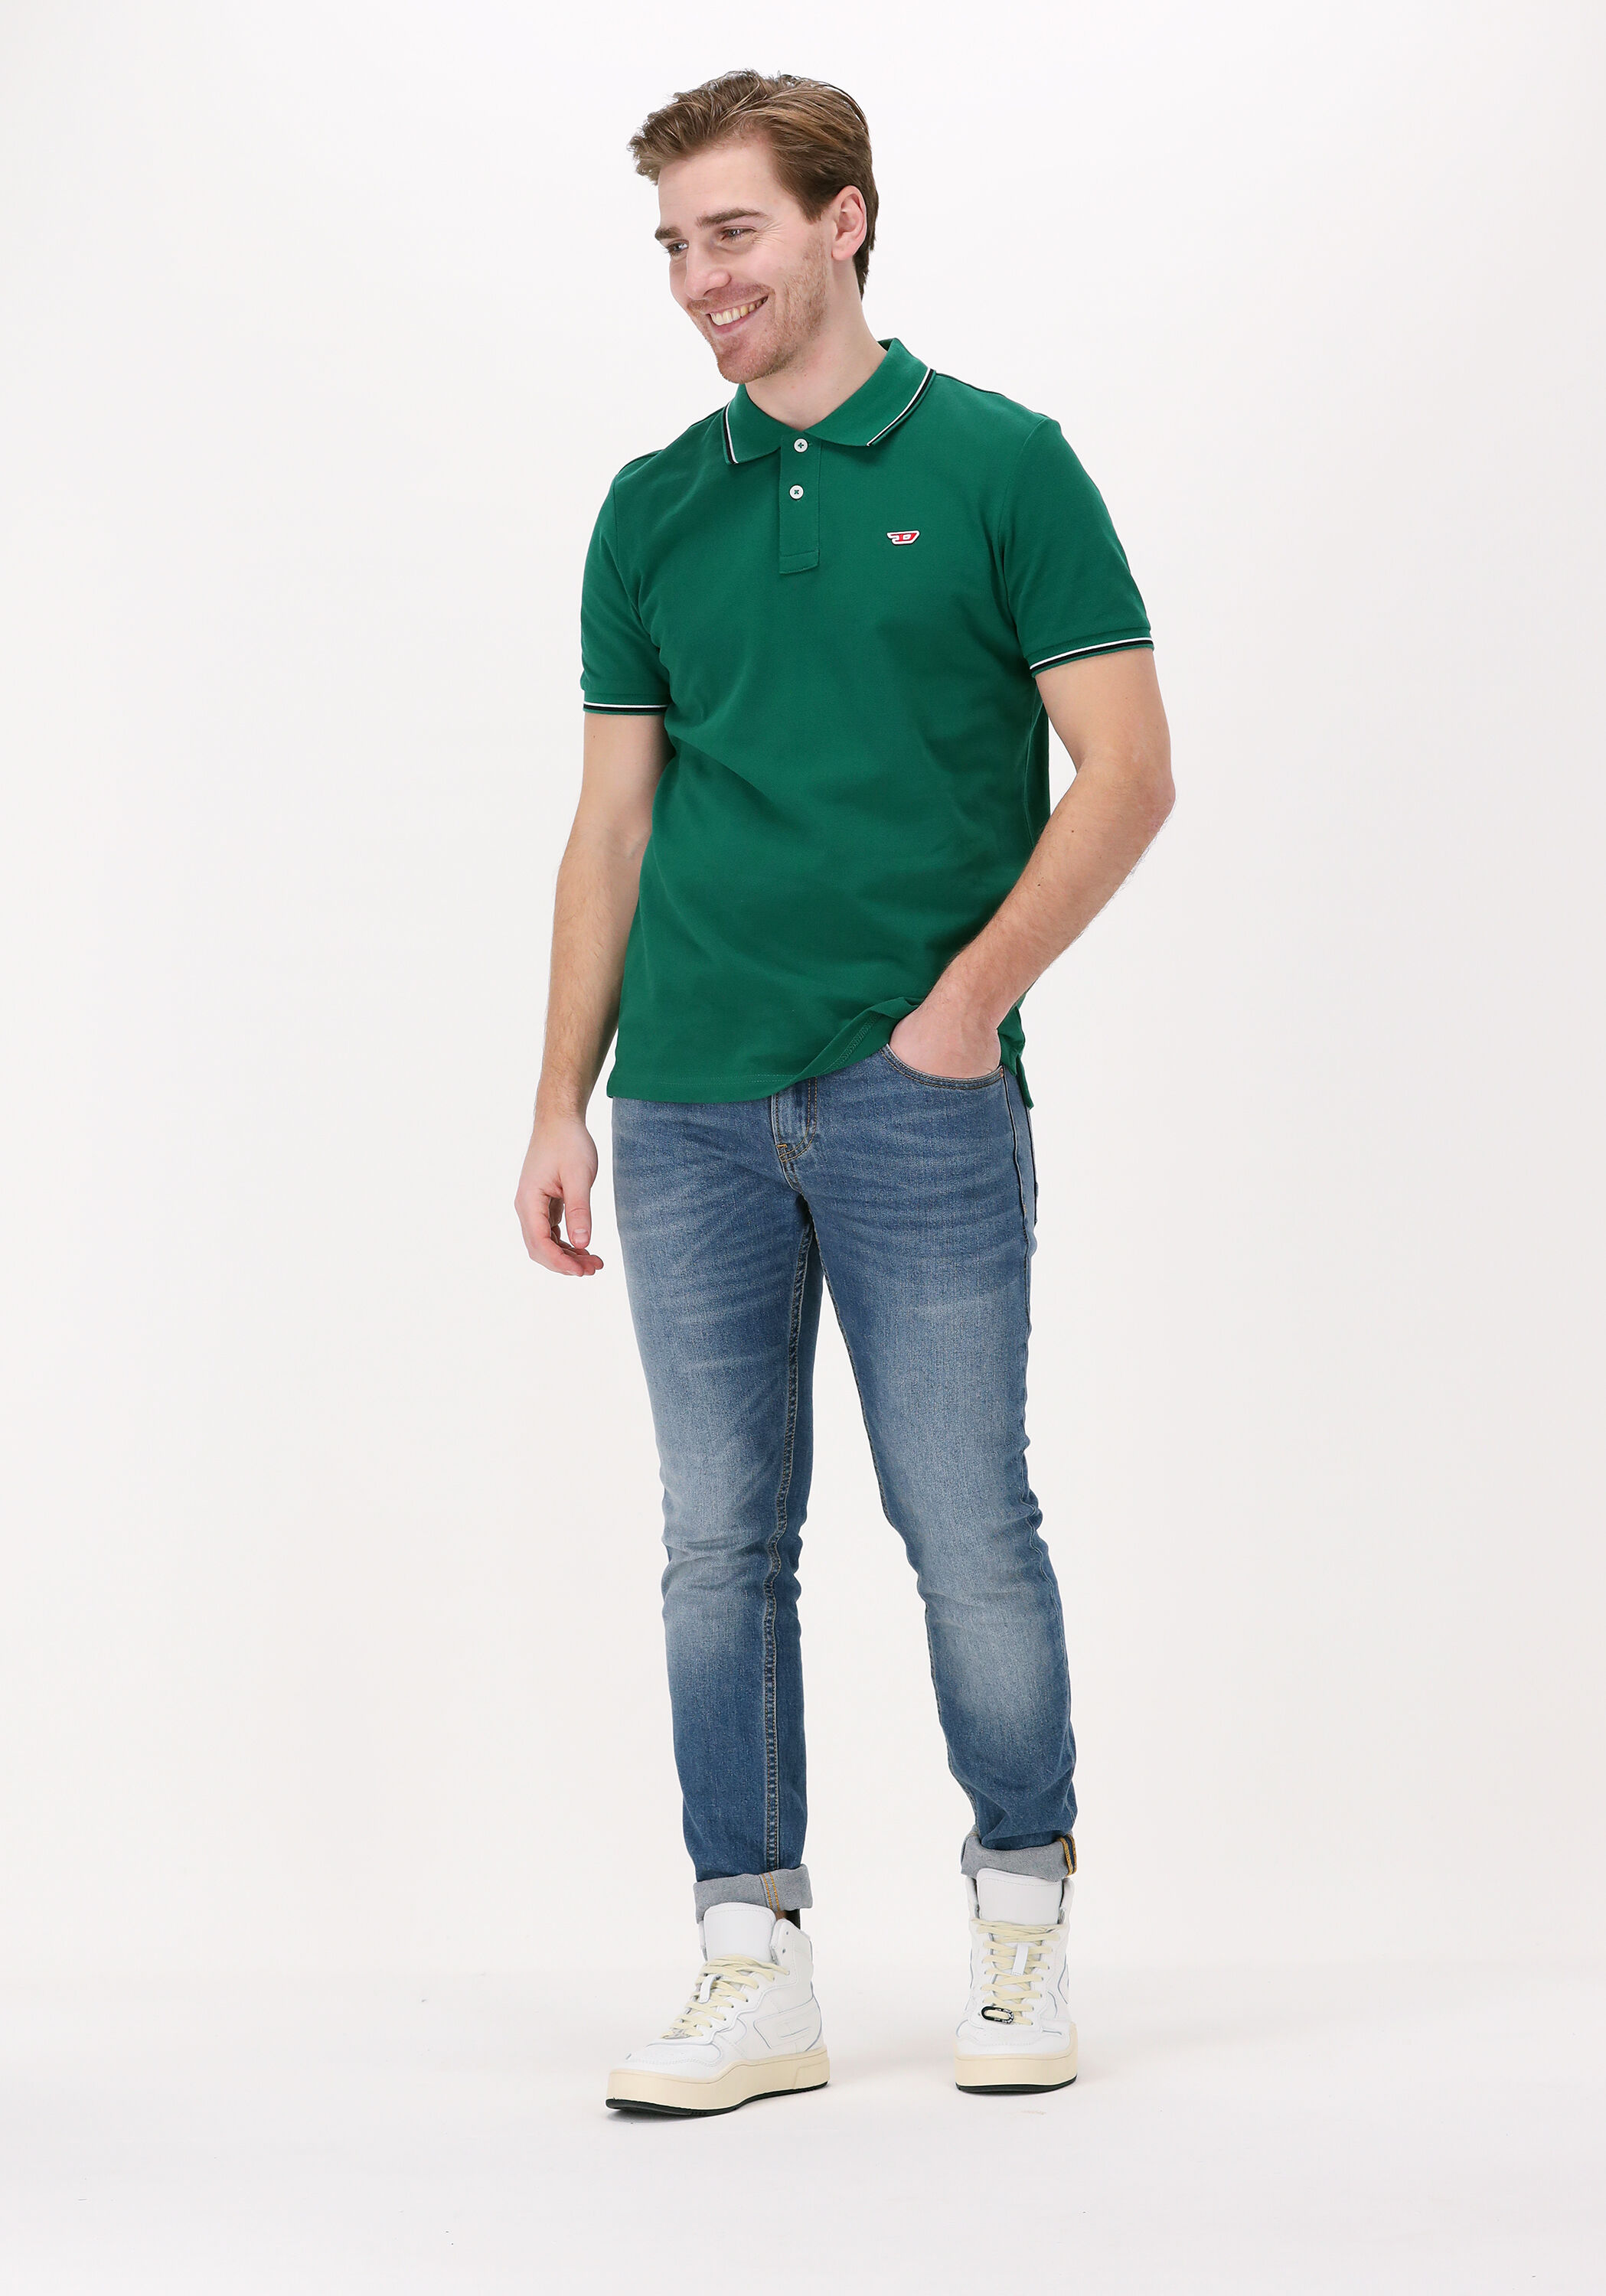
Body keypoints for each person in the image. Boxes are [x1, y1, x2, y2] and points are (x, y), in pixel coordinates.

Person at [514, 70, 1173, 2117]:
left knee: (964, 1523)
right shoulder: (652, 506)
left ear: (842, 220)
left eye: (732, 233)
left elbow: (1130, 772)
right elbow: (613, 825)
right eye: (673, 245)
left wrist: (967, 1007)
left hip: (918, 1099)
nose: (698, 280)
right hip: (688, 1103)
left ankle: (1018, 1919)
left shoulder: (1000, 465)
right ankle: (753, 1963)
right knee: (718, 1541)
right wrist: (559, 1099)